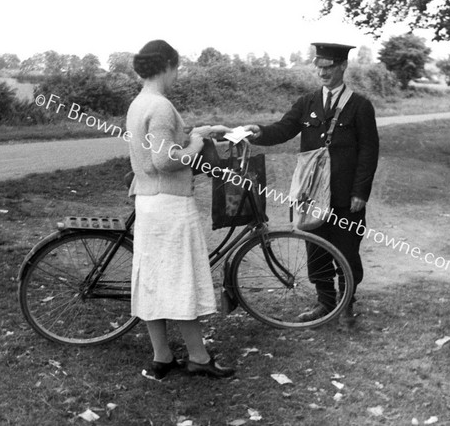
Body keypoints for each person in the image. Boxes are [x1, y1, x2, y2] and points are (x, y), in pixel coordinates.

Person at [243, 42, 379, 324]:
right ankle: (325, 303)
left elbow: (369, 151)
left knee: (346, 248)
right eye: (318, 67)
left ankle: (347, 303)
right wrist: (259, 133)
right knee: (315, 246)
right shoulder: (307, 102)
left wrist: (360, 192)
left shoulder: (360, 106)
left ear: (343, 66)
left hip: (344, 194)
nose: (322, 73)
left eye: (328, 67)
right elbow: (283, 129)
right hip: (310, 193)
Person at [126, 39, 234, 379]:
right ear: (168, 65)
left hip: (148, 202)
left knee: (155, 281)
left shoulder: (139, 103)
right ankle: (199, 358)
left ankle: (161, 357)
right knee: (179, 279)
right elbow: (165, 160)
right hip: (169, 204)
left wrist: (195, 132)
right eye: (177, 69)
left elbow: (161, 146)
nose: (177, 75)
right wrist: (198, 144)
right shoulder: (160, 106)